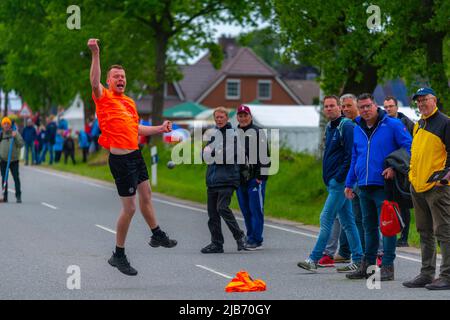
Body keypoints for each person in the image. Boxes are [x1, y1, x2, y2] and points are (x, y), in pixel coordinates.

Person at [88, 38, 177, 276]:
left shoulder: (128, 102)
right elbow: (94, 81)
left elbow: (136, 129)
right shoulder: (103, 97)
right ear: (109, 81)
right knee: (129, 209)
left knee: (147, 195)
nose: (120, 80)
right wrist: (96, 53)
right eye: (116, 77)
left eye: (123, 77)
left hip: (136, 155)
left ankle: (156, 235)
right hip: (120, 161)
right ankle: (118, 255)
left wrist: (159, 128)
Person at [344, 93, 412, 281]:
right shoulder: (357, 127)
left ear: (375, 105)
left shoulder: (392, 124)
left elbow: (409, 147)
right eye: (362, 107)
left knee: (387, 227)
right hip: (363, 185)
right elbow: (355, 157)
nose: (365, 110)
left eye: (368, 106)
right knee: (368, 227)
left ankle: (388, 267)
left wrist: (394, 166)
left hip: (385, 185)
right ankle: (368, 266)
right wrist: (349, 183)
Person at [297, 95, 363, 272]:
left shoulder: (347, 126)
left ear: (340, 108)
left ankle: (313, 258)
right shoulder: (329, 127)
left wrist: (339, 178)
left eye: (332, 106)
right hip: (332, 183)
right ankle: (358, 259)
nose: (329, 109)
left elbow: (351, 156)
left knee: (325, 218)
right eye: (326, 106)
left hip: (339, 184)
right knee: (348, 222)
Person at [403, 87, 450, 290]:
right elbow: (416, 152)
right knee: (424, 231)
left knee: (444, 231)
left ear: (435, 100)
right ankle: (426, 273)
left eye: (425, 100)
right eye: (418, 101)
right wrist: (412, 176)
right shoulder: (419, 124)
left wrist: (444, 178)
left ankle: (447, 275)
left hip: (437, 187)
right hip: (418, 185)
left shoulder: (445, 122)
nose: (421, 104)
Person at [201, 107, 247, 254]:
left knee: (222, 208)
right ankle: (217, 243)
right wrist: (208, 152)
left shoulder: (233, 135)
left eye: (221, 117)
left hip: (228, 179)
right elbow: (205, 157)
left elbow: (226, 156)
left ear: (227, 118)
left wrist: (211, 151)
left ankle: (239, 236)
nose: (218, 120)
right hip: (213, 180)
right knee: (212, 214)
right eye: (216, 117)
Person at [235, 105, 270, 250]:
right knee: (245, 209)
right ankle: (250, 236)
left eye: (245, 115)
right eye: (240, 115)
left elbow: (265, 156)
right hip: (239, 178)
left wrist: (260, 177)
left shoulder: (257, 132)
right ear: (237, 117)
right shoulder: (234, 133)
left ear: (250, 116)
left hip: (255, 178)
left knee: (255, 209)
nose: (243, 118)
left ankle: (257, 239)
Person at [383, 95, 415, 247]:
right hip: (387, 168)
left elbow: (411, 147)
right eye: (386, 107)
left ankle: (404, 237)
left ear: (397, 107)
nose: (388, 109)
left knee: (403, 203)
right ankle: (391, 233)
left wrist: (397, 166)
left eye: (391, 106)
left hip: (402, 168)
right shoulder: (383, 123)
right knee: (390, 202)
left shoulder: (406, 123)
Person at [0, 117, 24, 203]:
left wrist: (16, 136)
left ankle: (18, 196)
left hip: (13, 160)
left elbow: (21, 144)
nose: (6, 125)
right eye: (4, 124)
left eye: (7, 123)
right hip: (3, 161)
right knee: (4, 178)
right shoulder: (1, 134)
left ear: (10, 125)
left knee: (16, 178)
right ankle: (5, 197)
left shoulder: (15, 133)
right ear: (2, 125)